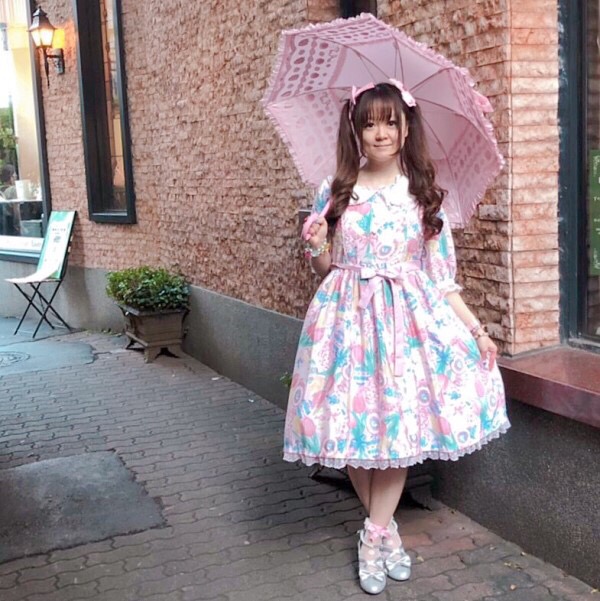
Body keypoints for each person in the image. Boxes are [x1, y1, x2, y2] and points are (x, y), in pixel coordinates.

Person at [282, 81, 510, 595]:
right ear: (356, 130)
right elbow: (323, 268)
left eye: (389, 121)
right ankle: (385, 534)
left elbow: (442, 279)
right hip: (344, 323)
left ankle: (374, 537)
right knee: (356, 440)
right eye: (368, 123)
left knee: (398, 438)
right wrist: (317, 243)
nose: (379, 132)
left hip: (406, 328)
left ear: (407, 128)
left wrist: (476, 330)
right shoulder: (335, 189)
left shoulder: (423, 195)